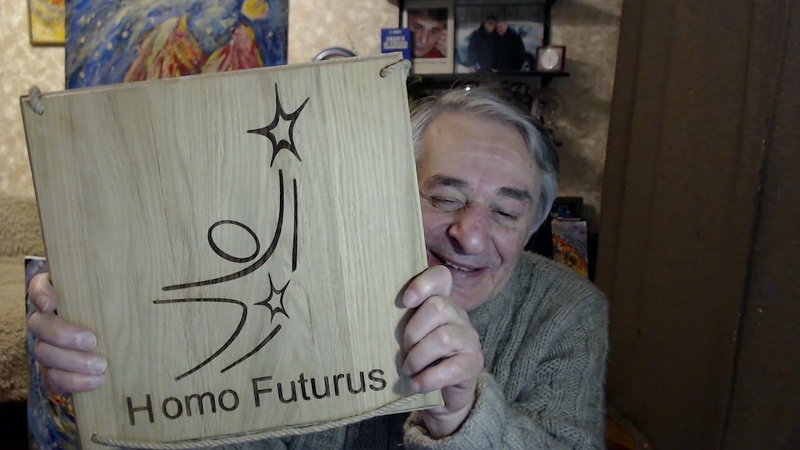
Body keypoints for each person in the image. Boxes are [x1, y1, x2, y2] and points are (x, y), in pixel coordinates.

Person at [27, 87, 608, 449]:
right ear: (386, 190)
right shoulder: (294, 278)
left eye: (506, 211)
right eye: (444, 198)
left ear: (535, 222)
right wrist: (121, 359)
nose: (470, 235)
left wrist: (463, 416)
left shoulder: (566, 312)